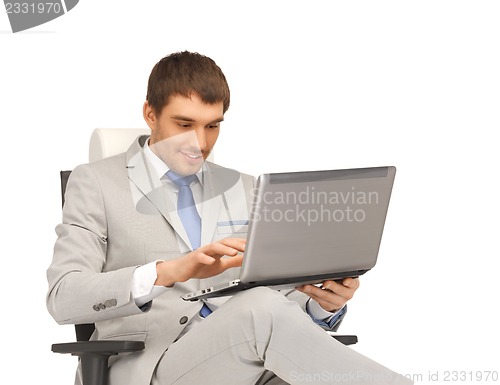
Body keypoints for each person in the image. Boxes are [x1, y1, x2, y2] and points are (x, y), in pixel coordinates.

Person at [46, 51, 412, 385]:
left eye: (212, 126)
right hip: (152, 364)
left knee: (268, 313)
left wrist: (321, 303)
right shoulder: (95, 182)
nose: (199, 143)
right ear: (150, 114)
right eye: (184, 123)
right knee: (260, 309)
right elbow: (63, 296)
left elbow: (277, 305)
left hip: (248, 361)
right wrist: (169, 271)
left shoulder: (246, 187)